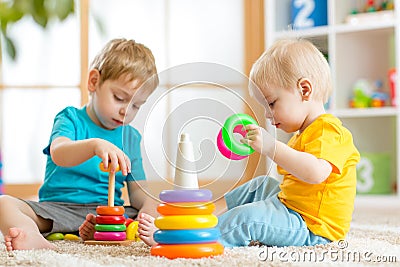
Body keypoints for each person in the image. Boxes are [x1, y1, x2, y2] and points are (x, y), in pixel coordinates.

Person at [134, 38, 360, 248]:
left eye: (271, 103)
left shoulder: (328, 130)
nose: (268, 115)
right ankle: (202, 217)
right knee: (261, 185)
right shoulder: (304, 132)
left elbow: (315, 173)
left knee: (249, 219)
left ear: (304, 90)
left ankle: (191, 240)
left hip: (312, 228)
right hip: (295, 209)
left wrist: (272, 147)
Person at [0, 38, 159, 251]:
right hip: (58, 210)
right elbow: (59, 153)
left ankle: (97, 232)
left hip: (107, 216)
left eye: (136, 106)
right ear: (94, 82)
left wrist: (147, 212)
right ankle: (32, 235)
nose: (126, 111)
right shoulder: (70, 119)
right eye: (120, 98)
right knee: (4, 204)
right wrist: (94, 145)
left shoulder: (131, 137)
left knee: (158, 207)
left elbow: (138, 191)